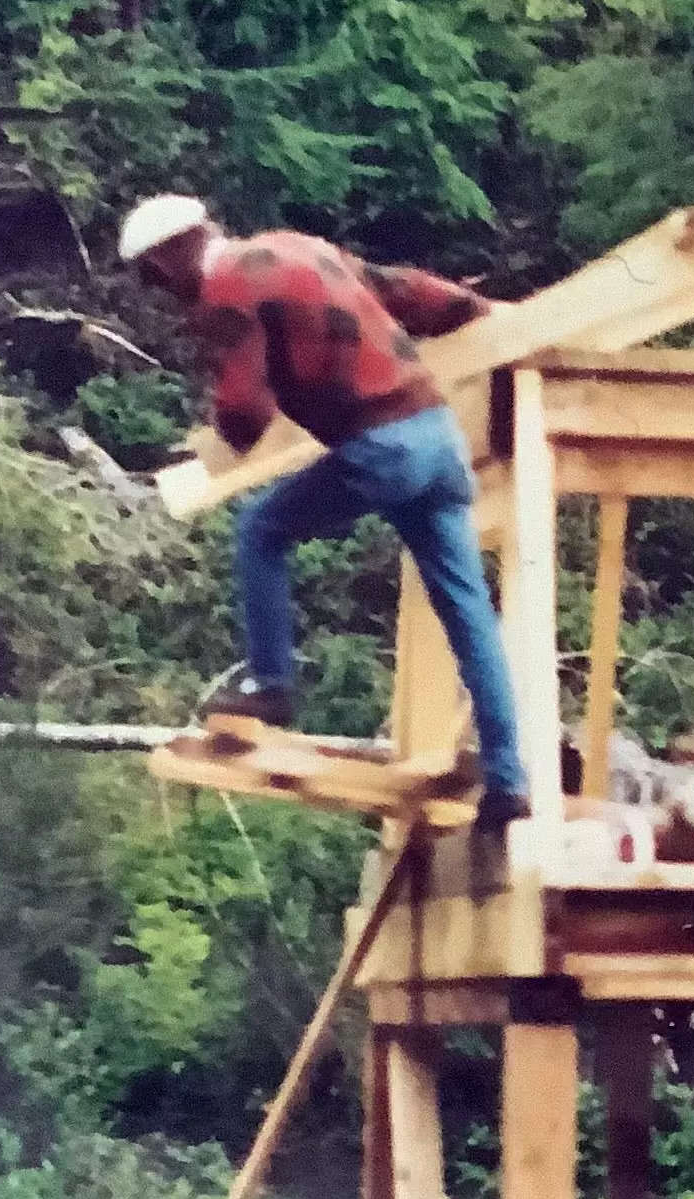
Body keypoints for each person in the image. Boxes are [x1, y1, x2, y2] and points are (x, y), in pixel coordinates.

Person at [118, 193, 530, 838]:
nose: (162, 290)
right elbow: (406, 290)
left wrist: (218, 435)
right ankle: (509, 782)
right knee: (468, 611)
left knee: (260, 530)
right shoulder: (296, 246)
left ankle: (272, 685)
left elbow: (244, 412)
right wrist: (488, 314)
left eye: (155, 275)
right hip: (437, 437)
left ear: (173, 254)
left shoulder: (226, 290)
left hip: (384, 446)